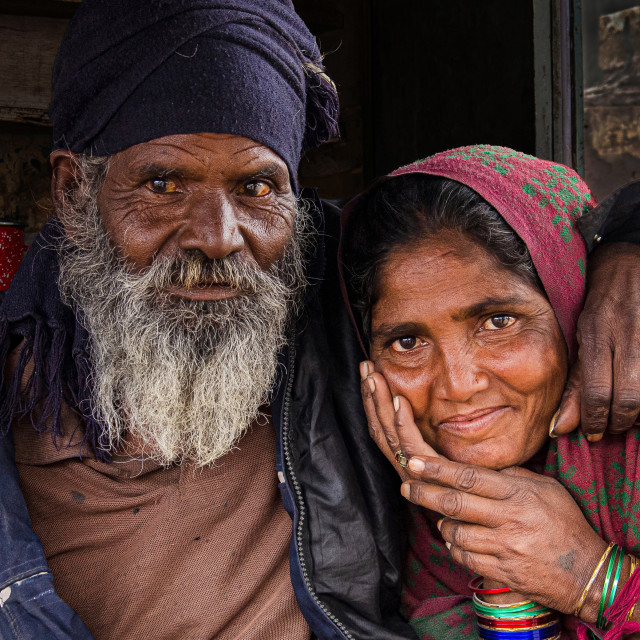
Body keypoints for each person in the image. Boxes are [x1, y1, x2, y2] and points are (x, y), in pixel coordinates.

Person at [1, 1, 640, 636]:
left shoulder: (341, 284)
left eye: (256, 188)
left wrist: (626, 250)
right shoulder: (17, 382)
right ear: (74, 192)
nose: (219, 237)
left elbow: (519, 245)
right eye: (164, 185)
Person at [340, 144, 640, 639]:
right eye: (407, 342)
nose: (458, 385)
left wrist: (592, 578)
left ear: (569, 305)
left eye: (498, 322)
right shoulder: (395, 522)